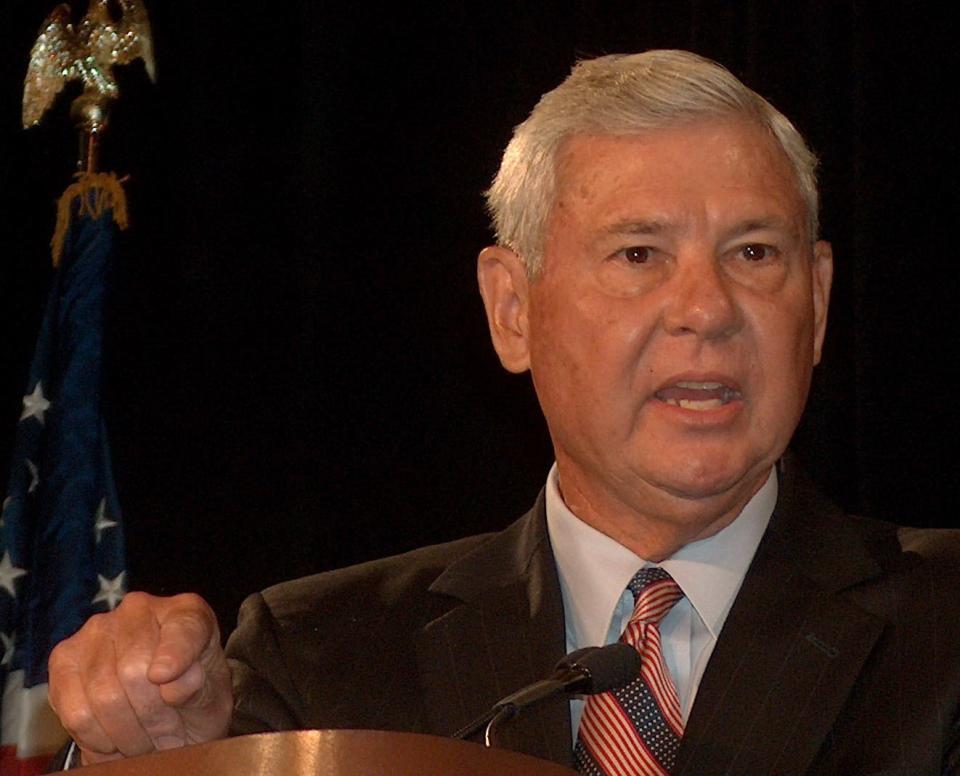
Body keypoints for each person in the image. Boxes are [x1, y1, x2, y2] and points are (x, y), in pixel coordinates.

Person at [47, 50, 960, 774]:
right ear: (512, 310)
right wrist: (165, 756)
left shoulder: (944, 625)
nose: (708, 309)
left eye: (755, 252)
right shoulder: (320, 659)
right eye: (639, 255)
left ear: (819, 300)